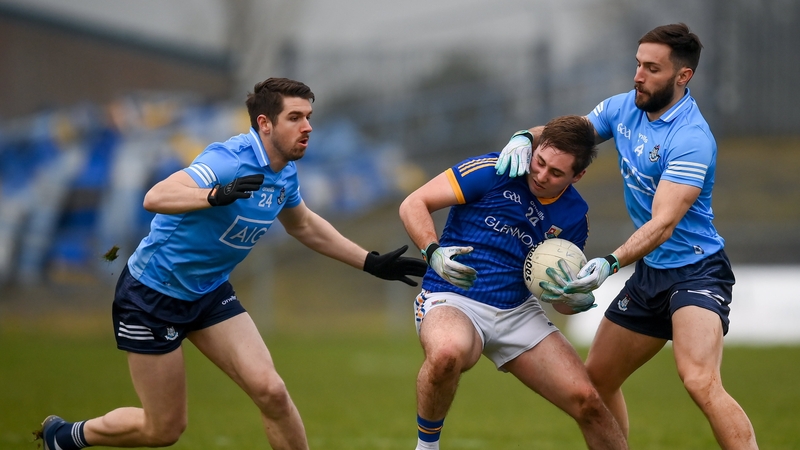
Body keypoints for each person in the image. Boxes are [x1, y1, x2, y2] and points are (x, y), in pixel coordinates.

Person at [36, 77, 427, 450]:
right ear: (265, 124)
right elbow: (156, 196)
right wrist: (214, 194)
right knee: (164, 429)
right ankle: (67, 437)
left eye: (309, 117)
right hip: (150, 297)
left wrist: (370, 262)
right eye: (295, 117)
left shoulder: (284, 173)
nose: (307, 126)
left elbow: (303, 225)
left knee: (271, 390)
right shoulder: (228, 160)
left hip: (209, 293)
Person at [495, 23, 758, 448]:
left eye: (652, 68)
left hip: (696, 272)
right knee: (597, 379)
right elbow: (569, 134)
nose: (638, 75)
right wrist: (526, 136)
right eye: (637, 64)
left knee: (699, 379)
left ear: (682, 76)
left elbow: (663, 224)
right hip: (651, 273)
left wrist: (610, 263)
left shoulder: (691, 138)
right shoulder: (622, 109)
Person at [399, 115, 628, 450]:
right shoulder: (494, 168)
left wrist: (574, 297)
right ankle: (426, 448)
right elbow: (413, 203)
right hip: (454, 297)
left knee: (588, 401)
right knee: (447, 353)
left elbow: (559, 298)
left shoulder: (575, 215)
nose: (540, 175)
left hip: (518, 311)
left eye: (556, 173)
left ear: (578, 176)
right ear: (535, 149)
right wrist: (432, 250)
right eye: (540, 162)